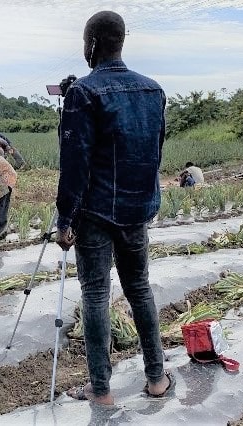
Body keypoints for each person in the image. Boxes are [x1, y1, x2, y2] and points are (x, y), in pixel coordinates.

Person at [55, 11, 172, 406]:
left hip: (97, 214)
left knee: (95, 294)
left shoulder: (83, 93)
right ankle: (157, 379)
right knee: (139, 289)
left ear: (91, 45)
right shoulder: (153, 90)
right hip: (138, 210)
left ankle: (100, 390)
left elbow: (75, 164)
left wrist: (64, 219)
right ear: (121, 43)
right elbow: (154, 153)